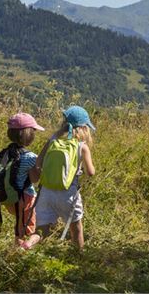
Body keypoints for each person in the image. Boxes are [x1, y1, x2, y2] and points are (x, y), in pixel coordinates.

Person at [30, 105, 96, 249]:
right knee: (76, 227)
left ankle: (28, 245)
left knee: (41, 230)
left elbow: (38, 163)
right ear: (84, 128)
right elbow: (90, 172)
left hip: (46, 192)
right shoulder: (81, 146)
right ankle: (79, 256)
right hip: (68, 194)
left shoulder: (53, 140)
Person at [4, 112, 45, 250]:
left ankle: (17, 250)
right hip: (25, 197)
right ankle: (22, 255)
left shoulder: (6, 153)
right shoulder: (30, 157)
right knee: (31, 231)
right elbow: (37, 178)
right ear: (29, 135)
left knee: (20, 227)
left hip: (9, 197)